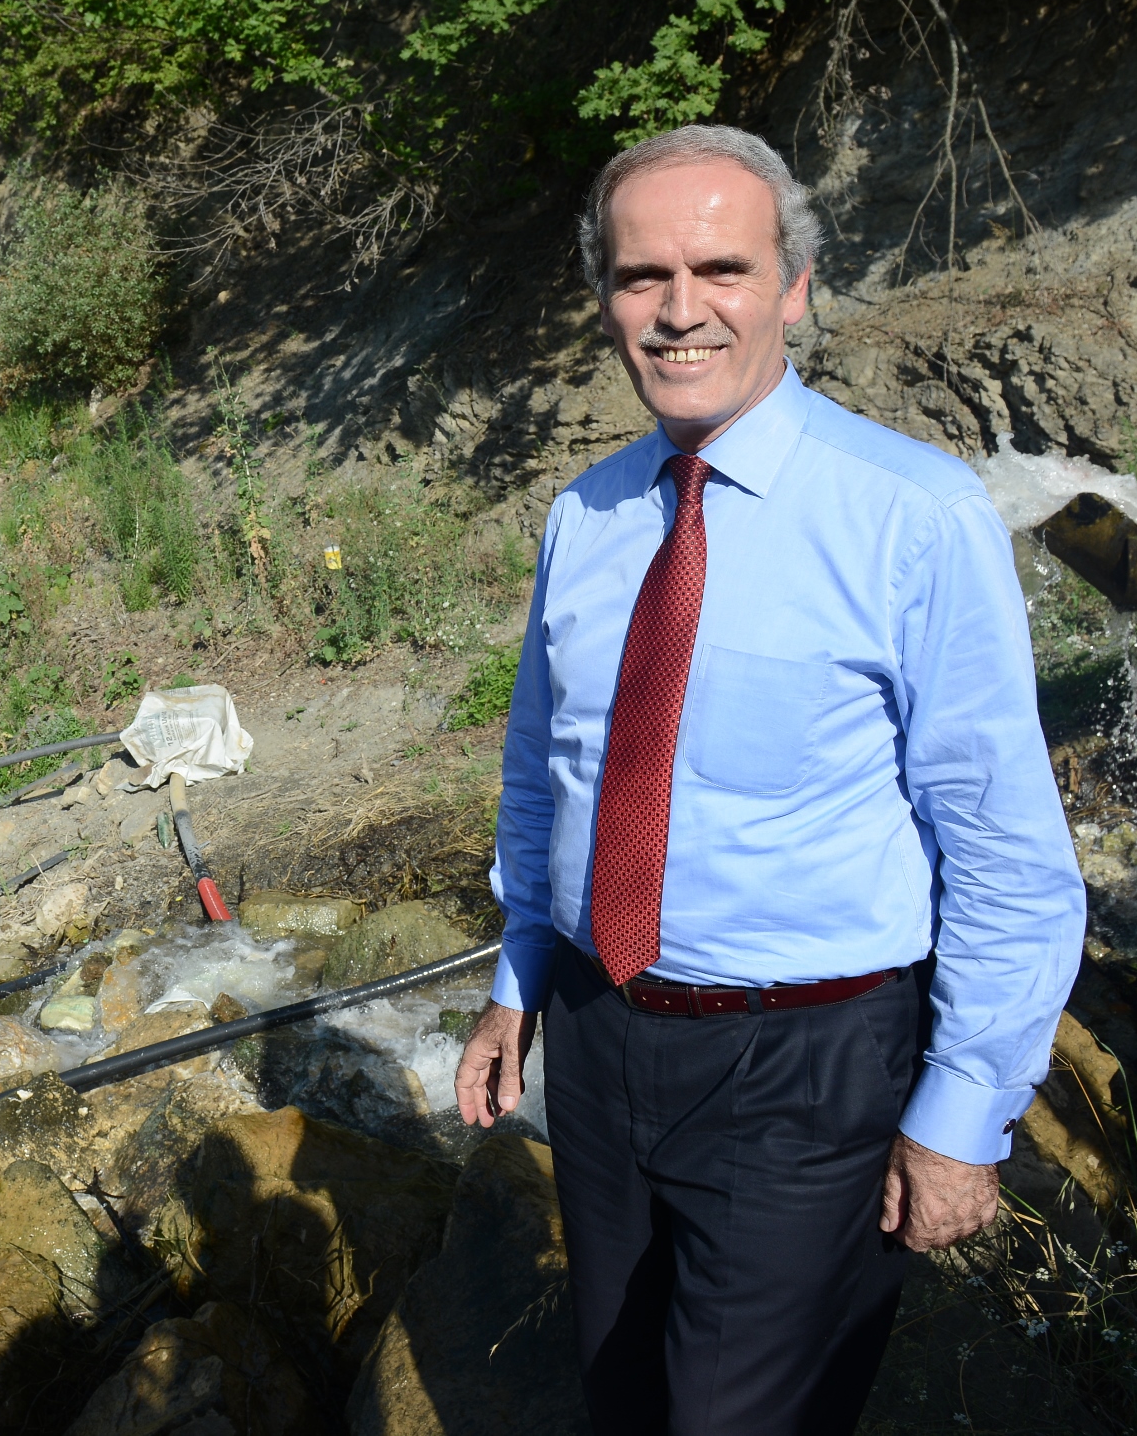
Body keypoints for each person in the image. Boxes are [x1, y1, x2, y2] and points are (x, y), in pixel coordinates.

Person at [453, 124, 1084, 1435]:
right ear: (606, 300)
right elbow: (545, 775)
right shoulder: (587, 515)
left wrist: (962, 1115)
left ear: (793, 287)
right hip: (600, 1040)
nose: (680, 310)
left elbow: (1006, 850)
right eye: (643, 276)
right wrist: (519, 979)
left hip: (809, 1069)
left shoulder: (915, 516)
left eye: (721, 270)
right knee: (625, 1401)